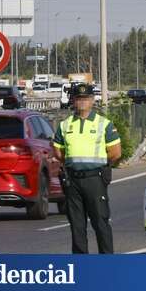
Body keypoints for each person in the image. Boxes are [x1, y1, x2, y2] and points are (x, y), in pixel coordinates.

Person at [52, 83, 122, 254]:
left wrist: (97, 164)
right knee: (77, 225)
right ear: (74, 101)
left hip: (95, 179)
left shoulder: (103, 124)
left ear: (92, 101)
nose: (82, 102)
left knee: (100, 222)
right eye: (79, 99)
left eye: (86, 99)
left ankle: (106, 263)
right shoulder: (65, 125)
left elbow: (115, 153)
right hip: (73, 180)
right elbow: (58, 152)